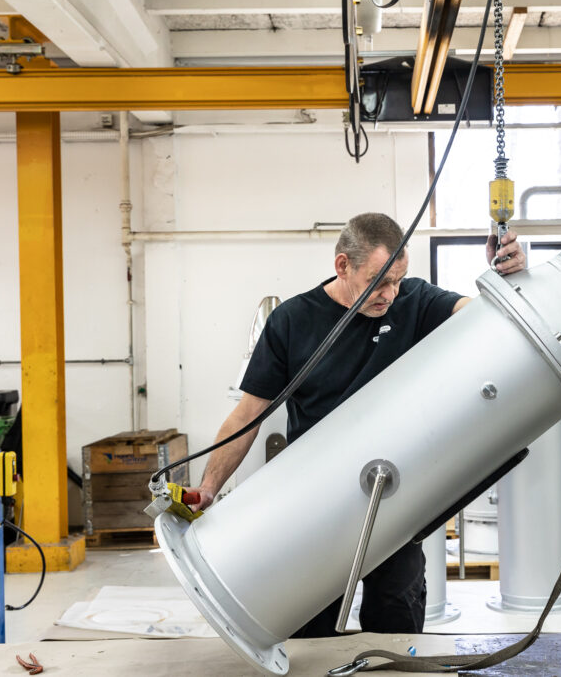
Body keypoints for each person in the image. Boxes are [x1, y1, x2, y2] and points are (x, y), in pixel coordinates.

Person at [188, 212, 526, 637]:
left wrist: (506, 280)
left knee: (396, 626)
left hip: (395, 499)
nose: (390, 293)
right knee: (309, 632)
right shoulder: (292, 321)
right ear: (342, 266)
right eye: (378, 281)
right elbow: (247, 415)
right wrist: (209, 487)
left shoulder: (415, 302)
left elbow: (488, 322)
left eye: (398, 279)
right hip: (316, 507)